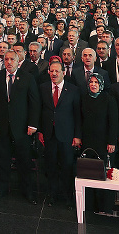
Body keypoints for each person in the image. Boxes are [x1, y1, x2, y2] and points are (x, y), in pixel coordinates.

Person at [0, 50, 40, 202]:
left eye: (12, 59)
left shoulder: (27, 77)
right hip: (1, 127)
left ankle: (27, 192)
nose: (9, 62)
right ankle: (2, 189)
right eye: (6, 59)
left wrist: (33, 124)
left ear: (18, 61)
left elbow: (34, 103)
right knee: (2, 161)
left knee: (24, 162)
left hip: (22, 128)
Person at [39, 60, 81, 206]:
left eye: (57, 71)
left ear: (63, 72)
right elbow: (40, 111)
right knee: (51, 167)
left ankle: (68, 197)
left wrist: (77, 135)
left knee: (67, 167)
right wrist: (40, 131)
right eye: (51, 71)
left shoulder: (73, 89)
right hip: (49, 135)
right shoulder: (43, 88)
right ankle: (52, 195)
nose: (54, 73)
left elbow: (77, 115)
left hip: (67, 136)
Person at [80, 73, 118, 215]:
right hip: (88, 143)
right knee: (89, 174)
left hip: (104, 143)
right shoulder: (83, 98)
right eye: (91, 82)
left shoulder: (108, 99)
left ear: (101, 84)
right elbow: (80, 119)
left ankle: (105, 206)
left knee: (104, 175)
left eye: (96, 82)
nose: (93, 84)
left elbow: (113, 122)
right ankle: (90, 205)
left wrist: (111, 142)